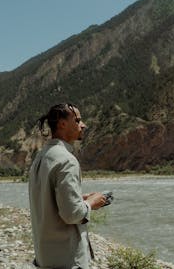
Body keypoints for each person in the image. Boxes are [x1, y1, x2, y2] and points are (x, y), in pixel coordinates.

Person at [28, 103, 107, 269]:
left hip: (45, 257)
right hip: (67, 259)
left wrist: (79, 198)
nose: (83, 125)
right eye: (78, 120)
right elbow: (72, 214)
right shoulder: (67, 160)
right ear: (62, 124)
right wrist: (91, 203)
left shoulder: (41, 157)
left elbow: (48, 200)